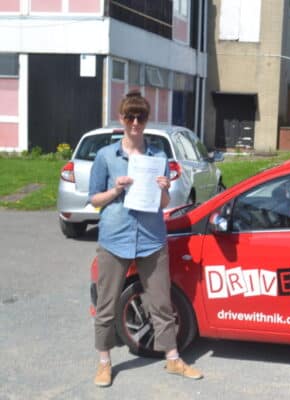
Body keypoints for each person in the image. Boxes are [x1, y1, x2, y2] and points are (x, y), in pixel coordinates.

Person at [89, 90, 202, 387]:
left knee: (161, 303)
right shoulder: (105, 156)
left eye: (141, 117)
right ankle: (103, 362)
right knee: (107, 303)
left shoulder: (158, 157)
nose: (136, 122)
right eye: (130, 116)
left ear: (147, 120)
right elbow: (95, 199)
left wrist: (164, 188)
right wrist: (115, 190)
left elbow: (162, 204)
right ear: (121, 119)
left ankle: (173, 359)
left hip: (151, 238)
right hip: (115, 237)